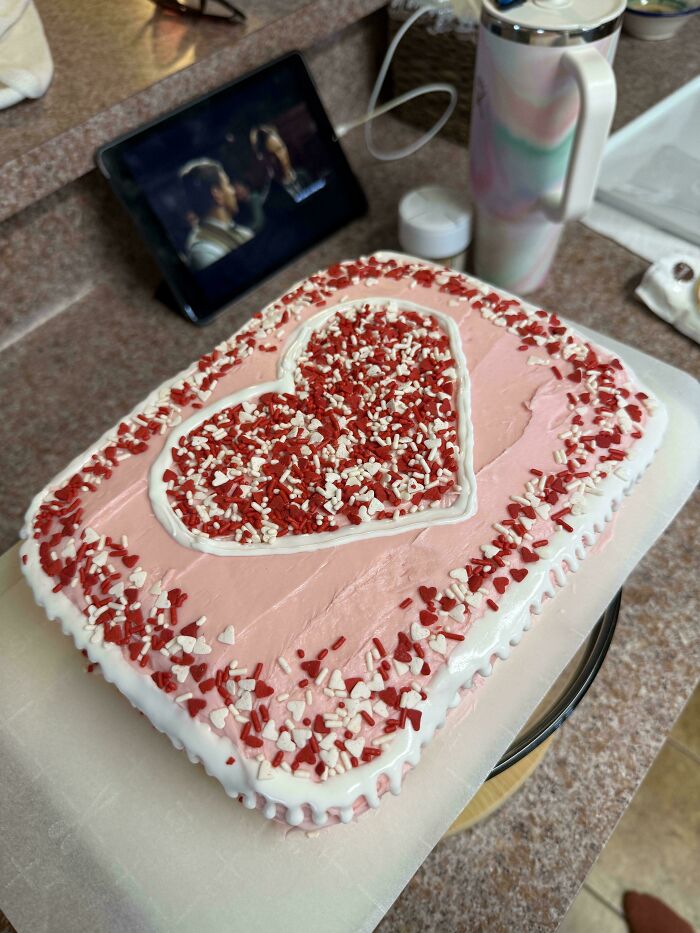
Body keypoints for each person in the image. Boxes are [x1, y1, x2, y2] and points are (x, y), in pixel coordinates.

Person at [179, 158, 254, 270]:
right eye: (228, 185)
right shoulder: (203, 250)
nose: (233, 191)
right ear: (217, 194)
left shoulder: (242, 232)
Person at [249, 125, 314, 219]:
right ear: (263, 159)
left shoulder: (303, 175)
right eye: (271, 155)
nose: (279, 157)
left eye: (280, 148)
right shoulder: (269, 202)